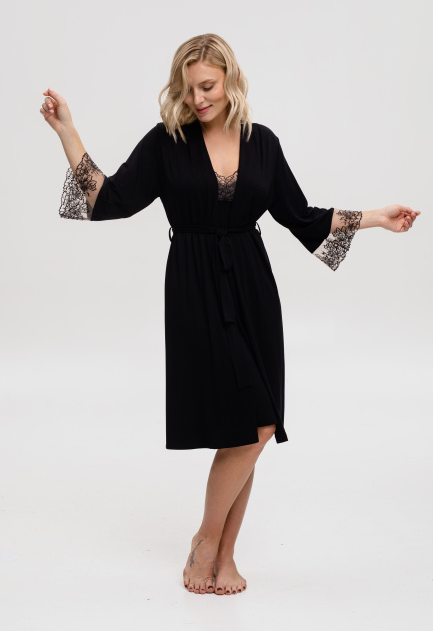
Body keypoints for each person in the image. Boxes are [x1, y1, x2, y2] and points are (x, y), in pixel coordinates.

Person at [41, 33, 420, 597]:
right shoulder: (167, 142)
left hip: (253, 287)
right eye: (188, 89)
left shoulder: (262, 143)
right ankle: (205, 541)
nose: (198, 99)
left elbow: (301, 216)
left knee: (258, 423)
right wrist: (67, 131)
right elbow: (108, 200)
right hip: (194, 289)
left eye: (208, 86)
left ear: (230, 80)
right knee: (250, 424)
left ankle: (225, 554)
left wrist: (375, 217)